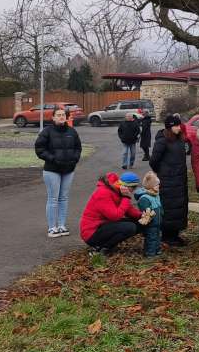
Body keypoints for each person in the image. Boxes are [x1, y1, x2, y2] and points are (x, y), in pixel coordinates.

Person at [34, 106, 82, 237]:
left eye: (63, 115)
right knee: (53, 198)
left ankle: (61, 225)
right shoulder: (47, 131)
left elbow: (78, 148)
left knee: (63, 198)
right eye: (59, 115)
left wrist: (75, 159)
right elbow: (39, 149)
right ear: (53, 117)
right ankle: (52, 228)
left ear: (66, 117)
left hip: (68, 170)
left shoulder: (72, 131)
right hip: (52, 170)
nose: (61, 117)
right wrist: (53, 159)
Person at [79, 171, 143, 255]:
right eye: (133, 188)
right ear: (126, 186)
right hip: (92, 232)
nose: (133, 191)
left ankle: (105, 245)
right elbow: (115, 216)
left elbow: (129, 210)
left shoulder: (117, 190)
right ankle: (101, 249)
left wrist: (142, 216)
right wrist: (126, 197)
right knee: (129, 227)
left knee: (139, 222)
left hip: (104, 225)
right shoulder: (103, 193)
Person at [150, 114, 190, 246]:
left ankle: (175, 234)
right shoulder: (162, 141)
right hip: (168, 181)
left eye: (179, 125)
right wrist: (163, 172)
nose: (179, 128)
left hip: (180, 179)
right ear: (169, 127)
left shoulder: (180, 140)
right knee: (169, 208)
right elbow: (153, 161)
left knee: (179, 207)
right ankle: (167, 236)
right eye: (176, 126)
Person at [132, 171, 164, 258]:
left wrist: (162, 213)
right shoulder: (145, 198)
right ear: (151, 186)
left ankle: (157, 250)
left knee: (157, 236)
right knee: (151, 237)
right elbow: (145, 211)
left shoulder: (156, 195)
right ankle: (150, 253)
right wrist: (149, 213)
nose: (158, 186)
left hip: (157, 222)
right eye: (156, 184)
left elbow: (159, 206)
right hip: (151, 223)